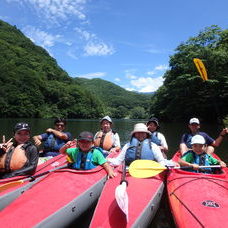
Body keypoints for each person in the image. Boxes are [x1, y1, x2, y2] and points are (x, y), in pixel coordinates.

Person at [108, 123, 175, 167]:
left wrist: (168, 164)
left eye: (143, 133)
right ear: (134, 134)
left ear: (147, 134)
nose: (140, 135)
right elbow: (118, 161)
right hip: (130, 171)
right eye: (138, 133)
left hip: (149, 172)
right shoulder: (127, 146)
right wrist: (106, 161)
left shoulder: (153, 146)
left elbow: (161, 161)